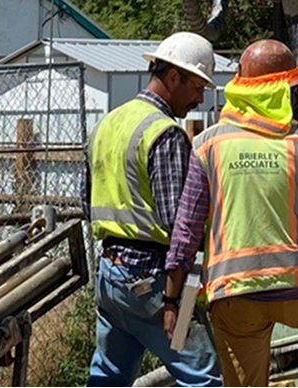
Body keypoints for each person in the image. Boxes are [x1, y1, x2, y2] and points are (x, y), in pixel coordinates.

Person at [163, 39, 298, 387]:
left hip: (234, 298)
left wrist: (172, 300)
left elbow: (186, 233)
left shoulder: (208, 144)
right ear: (284, 92)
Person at [86, 31, 221, 387]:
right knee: (203, 376)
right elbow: (181, 228)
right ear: (174, 77)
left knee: (108, 377)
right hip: (153, 287)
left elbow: (90, 201)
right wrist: (177, 300)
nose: (200, 98)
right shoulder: (164, 133)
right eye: (197, 86)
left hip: (111, 281)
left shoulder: (106, 124)